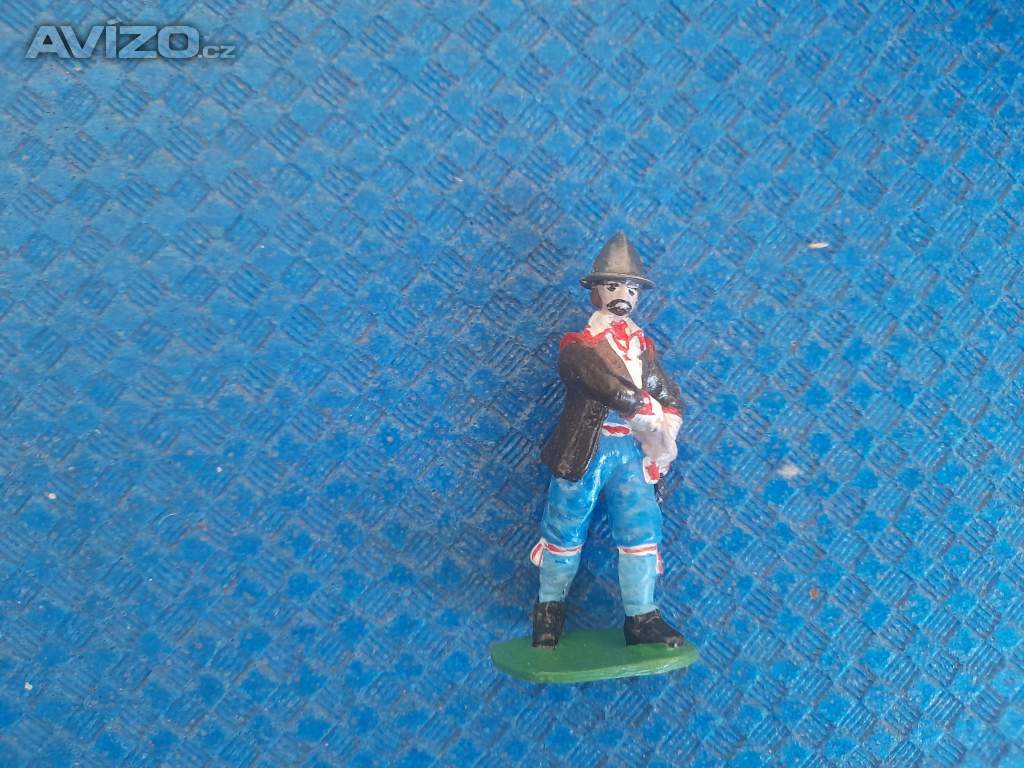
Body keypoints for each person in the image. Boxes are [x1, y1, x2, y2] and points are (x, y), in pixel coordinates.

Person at [531, 231, 685, 649]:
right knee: (564, 526)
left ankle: (641, 616)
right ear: (596, 291)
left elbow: (669, 395)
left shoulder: (642, 348)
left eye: (630, 289)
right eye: (614, 286)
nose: (622, 296)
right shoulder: (579, 347)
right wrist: (643, 408)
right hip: (586, 449)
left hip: (630, 453)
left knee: (641, 528)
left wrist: (666, 429)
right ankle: (549, 610)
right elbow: (606, 386)